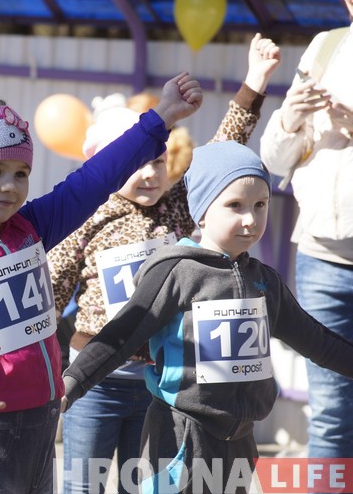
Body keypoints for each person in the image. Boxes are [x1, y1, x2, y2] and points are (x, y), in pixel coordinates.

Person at [0, 72, 203, 492]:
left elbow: (96, 179)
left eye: (21, 172)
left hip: (40, 432)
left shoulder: (30, 227)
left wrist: (162, 116)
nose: (10, 186)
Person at [48, 34, 281, 494]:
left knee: (146, 486)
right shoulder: (84, 219)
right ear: (102, 161)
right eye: (137, 163)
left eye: (158, 161)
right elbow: (49, 292)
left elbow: (224, 147)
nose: (150, 174)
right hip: (96, 382)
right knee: (83, 485)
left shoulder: (177, 205)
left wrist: (254, 82)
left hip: (161, 384)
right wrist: (64, 353)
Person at [61, 140, 353, 494]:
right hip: (179, 437)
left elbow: (316, 339)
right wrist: (72, 383)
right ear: (201, 212)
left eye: (260, 205)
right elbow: (122, 334)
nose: (250, 219)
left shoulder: (266, 282)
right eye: (235, 205)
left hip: (240, 442)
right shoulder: (176, 271)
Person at [259, 0, 353, 465]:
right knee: (333, 412)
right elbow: (275, 163)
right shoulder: (325, 46)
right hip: (322, 258)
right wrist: (289, 120)